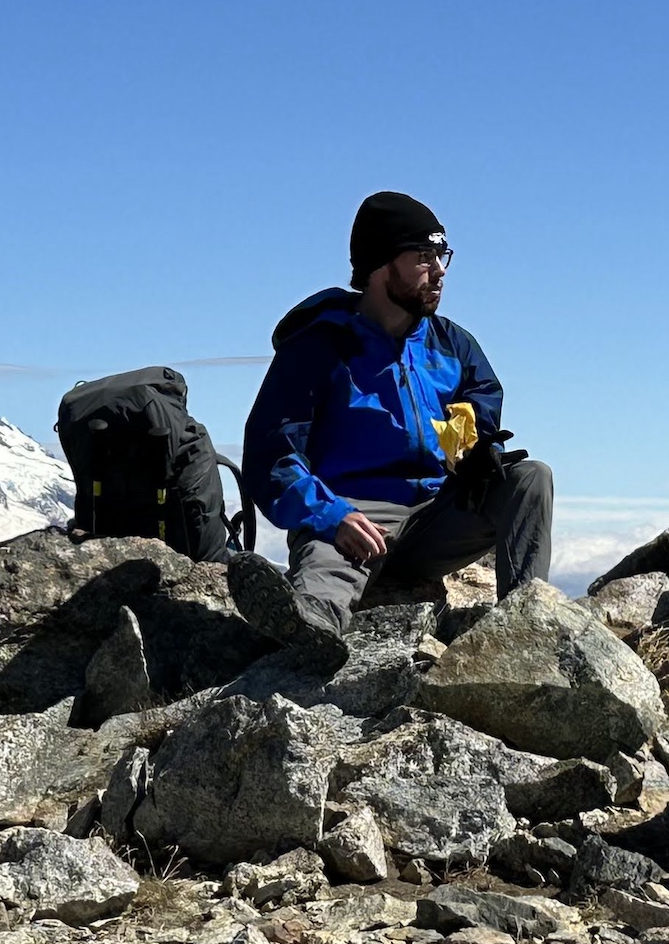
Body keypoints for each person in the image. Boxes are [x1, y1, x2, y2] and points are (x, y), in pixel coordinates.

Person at [235, 190, 554, 655]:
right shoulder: (319, 349)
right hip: (355, 516)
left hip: (436, 516)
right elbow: (272, 456)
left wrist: (473, 450)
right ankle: (310, 631)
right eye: (424, 256)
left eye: (441, 255)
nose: (439, 270)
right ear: (381, 264)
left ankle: (527, 633)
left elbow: (480, 401)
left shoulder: (451, 343)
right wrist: (331, 516)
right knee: (327, 565)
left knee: (531, 478)